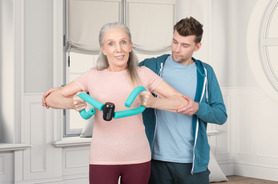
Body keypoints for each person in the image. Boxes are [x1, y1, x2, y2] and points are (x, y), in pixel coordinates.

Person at [43, 22, 189, 184]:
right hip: (102, 158)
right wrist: (73, 103)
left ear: (130, 46)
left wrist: (154, 102)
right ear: (103, 49)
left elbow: (182, 102)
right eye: (111, 43)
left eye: (123, 42)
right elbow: (50, 98)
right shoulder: (92, 76)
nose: (118, 49)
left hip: (138, 157)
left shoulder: (144, 74)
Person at [138, 16, 227, 184]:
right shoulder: (151, 66)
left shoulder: (206, 73)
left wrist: (198, 108)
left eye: (185, 45)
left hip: (192, 165)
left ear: (197, 46)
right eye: (175, 42)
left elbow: (221, 115)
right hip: (155, 162)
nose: (177, 49)